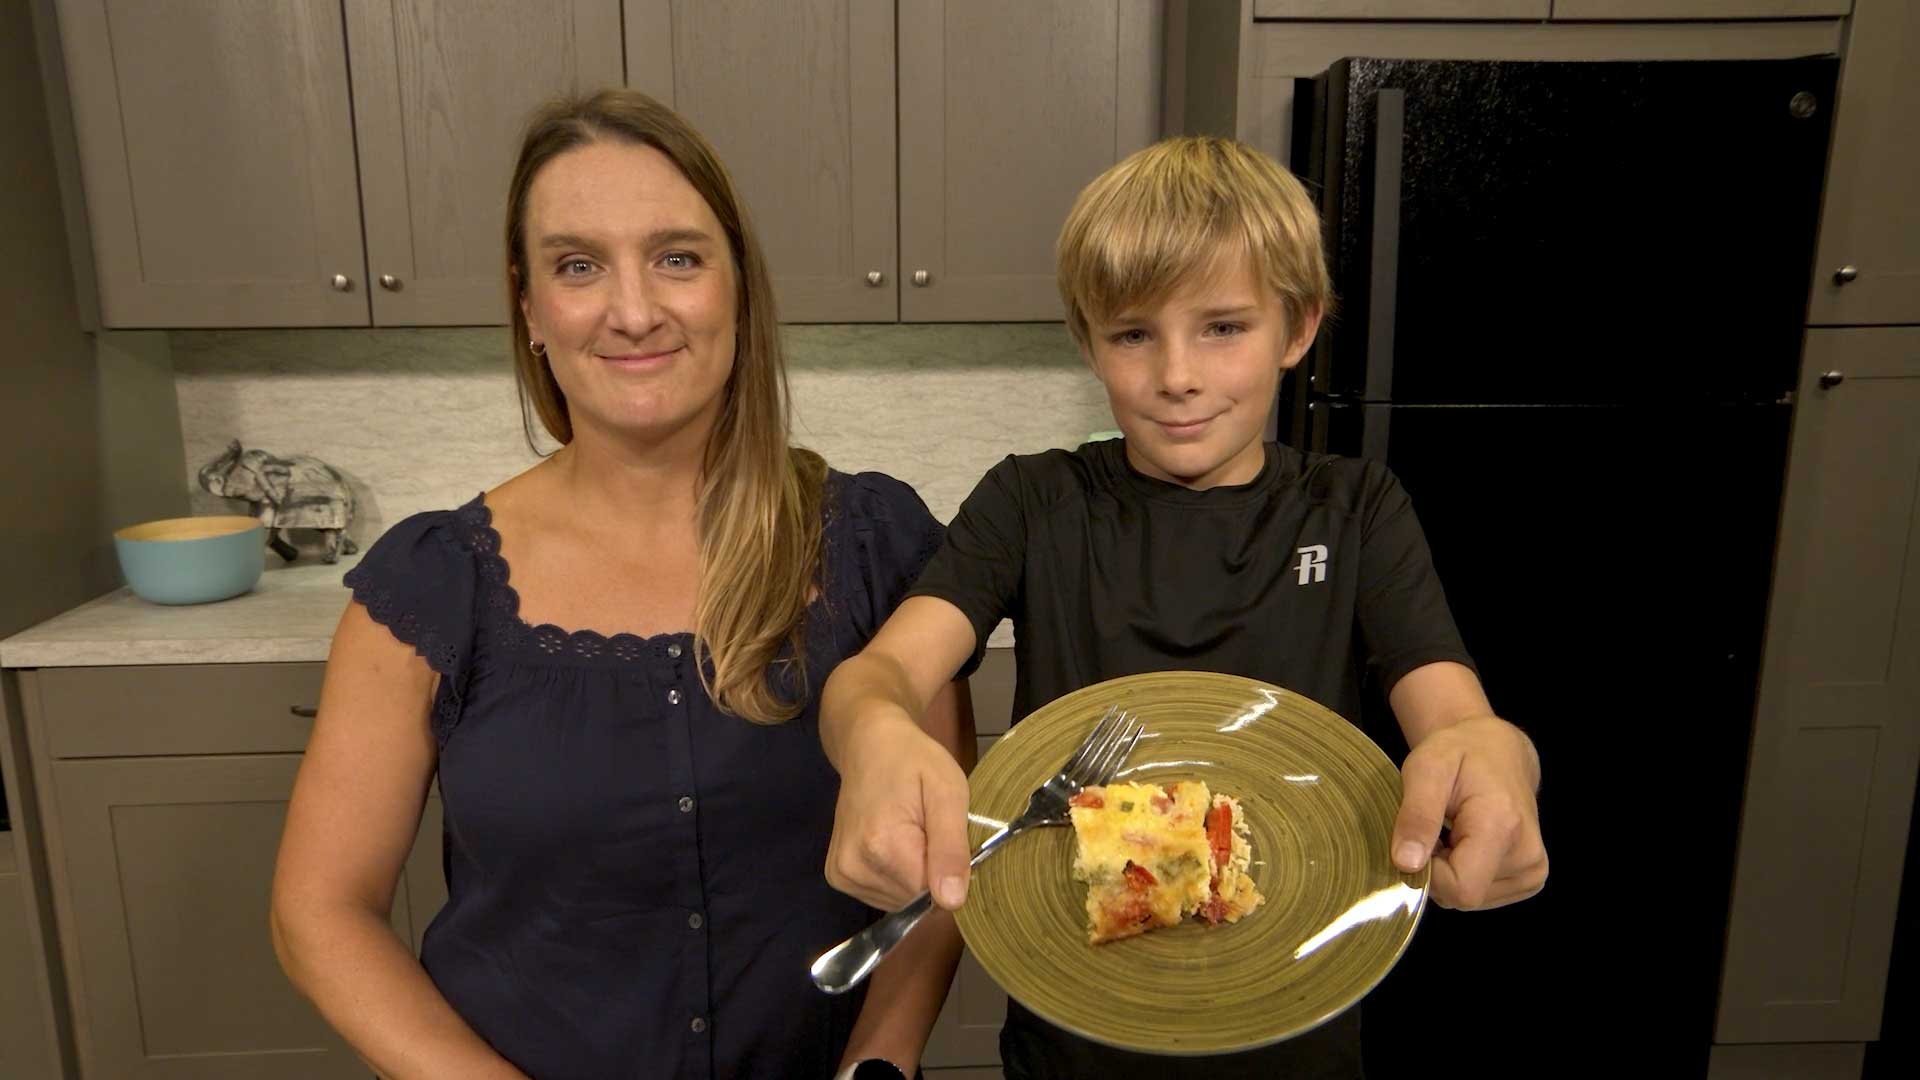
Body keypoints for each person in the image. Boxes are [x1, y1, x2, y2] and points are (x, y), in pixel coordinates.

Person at [269, 89, 971, 1080]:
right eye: (578, 265)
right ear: (530, 304)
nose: (634, 310)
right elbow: (318, 915)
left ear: (737, 285)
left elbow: (941, 870)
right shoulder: (435, 586)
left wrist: (880, 1065)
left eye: (677, 257)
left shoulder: (875, 546)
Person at [818, 135, 1549, 1078]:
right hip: (1070, 1027)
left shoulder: (1357, 508)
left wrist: (1501, 755)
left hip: (1304, 1015)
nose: (1177, 375)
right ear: (1087, 341)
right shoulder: (1034, 502)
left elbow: (1455, 715)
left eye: (1223, 327)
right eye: (1133, 334)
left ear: (1297, 329)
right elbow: (879, 674)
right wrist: (873, 732)